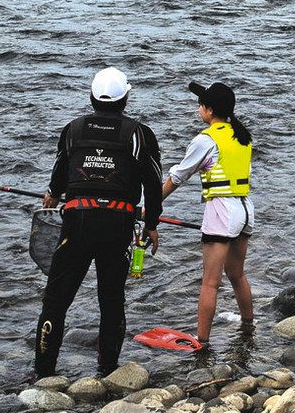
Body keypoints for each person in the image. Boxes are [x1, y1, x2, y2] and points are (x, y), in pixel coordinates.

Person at [35, 68, 163, 377]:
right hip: (117, 226)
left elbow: (60, 173)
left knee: (56, 301)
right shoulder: (139, 133)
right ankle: (107, 371)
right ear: (126, 99)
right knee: (111, 299)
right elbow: (154, 184)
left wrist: (52, 194)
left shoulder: (73, 129)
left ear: (92, 96)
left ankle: (42, 374)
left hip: (77, 221)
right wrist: (151, 225)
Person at [163, 81, 254, 346]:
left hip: (222, 210)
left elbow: (178, 176)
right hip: (246, 209)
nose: (198, 109)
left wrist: (150, 207)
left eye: (200, 105)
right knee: (237, 274)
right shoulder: (242, 136)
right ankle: (249, 326)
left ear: (209, 110)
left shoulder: (206, 139)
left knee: (210, 282)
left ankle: (200, 341)